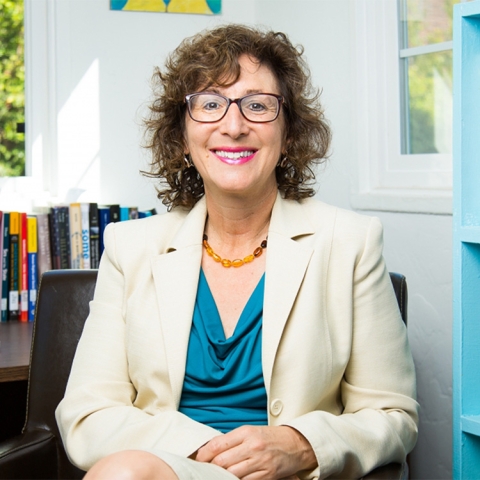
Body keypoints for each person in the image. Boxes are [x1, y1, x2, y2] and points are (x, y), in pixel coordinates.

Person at [56, 24, 419, 480]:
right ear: (183, 137)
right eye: (209, 104)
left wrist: (302, 446)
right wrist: (209, 449)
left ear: (288, 135)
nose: (233, 125)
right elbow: (88, 416)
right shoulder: (131, 248)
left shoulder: (350, 242)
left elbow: (393, 416)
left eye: (258, 105)